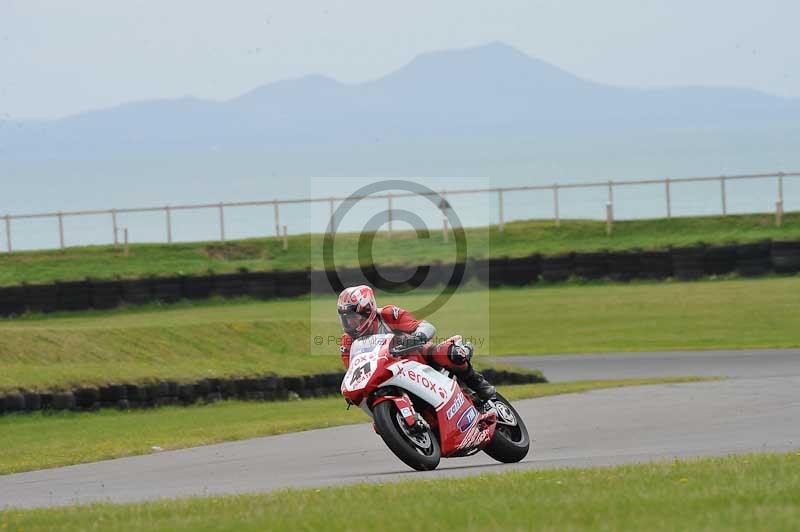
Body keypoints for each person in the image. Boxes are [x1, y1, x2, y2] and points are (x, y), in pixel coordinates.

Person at [337, 285, 496, 400]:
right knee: (379, 425)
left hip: (416, 359)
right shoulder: (348, 342)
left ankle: (478, 384)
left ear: (368, 310)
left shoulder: (388, 315)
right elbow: (354, 370)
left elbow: (425, 326)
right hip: (387, 374)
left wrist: (417, 337)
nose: (350, 323)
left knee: (448, 352)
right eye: (345, 318)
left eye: (353, 317)